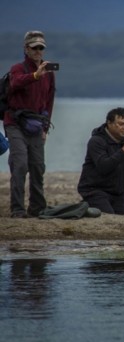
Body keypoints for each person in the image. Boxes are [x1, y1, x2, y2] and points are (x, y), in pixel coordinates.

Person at [3, 31, 56, 218]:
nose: (38, 51)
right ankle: (17, 209)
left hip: (36, 124)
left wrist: (45, 128)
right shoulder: (17, 69)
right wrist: (35, 75)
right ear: (26, 49)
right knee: (20, 165)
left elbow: (49, 101)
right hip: (15, 123)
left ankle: (37, 207)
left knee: (37, 166)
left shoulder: (49, 74)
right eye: (34, 47)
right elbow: (15, 84)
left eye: (41, 48)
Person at [77, 107, 124, 214]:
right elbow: (103, 166)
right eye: (121, 124)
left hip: (118, 192)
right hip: (95, 190)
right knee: (108, 215)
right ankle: (87, 204)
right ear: (109, 123)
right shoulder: (96, 141)